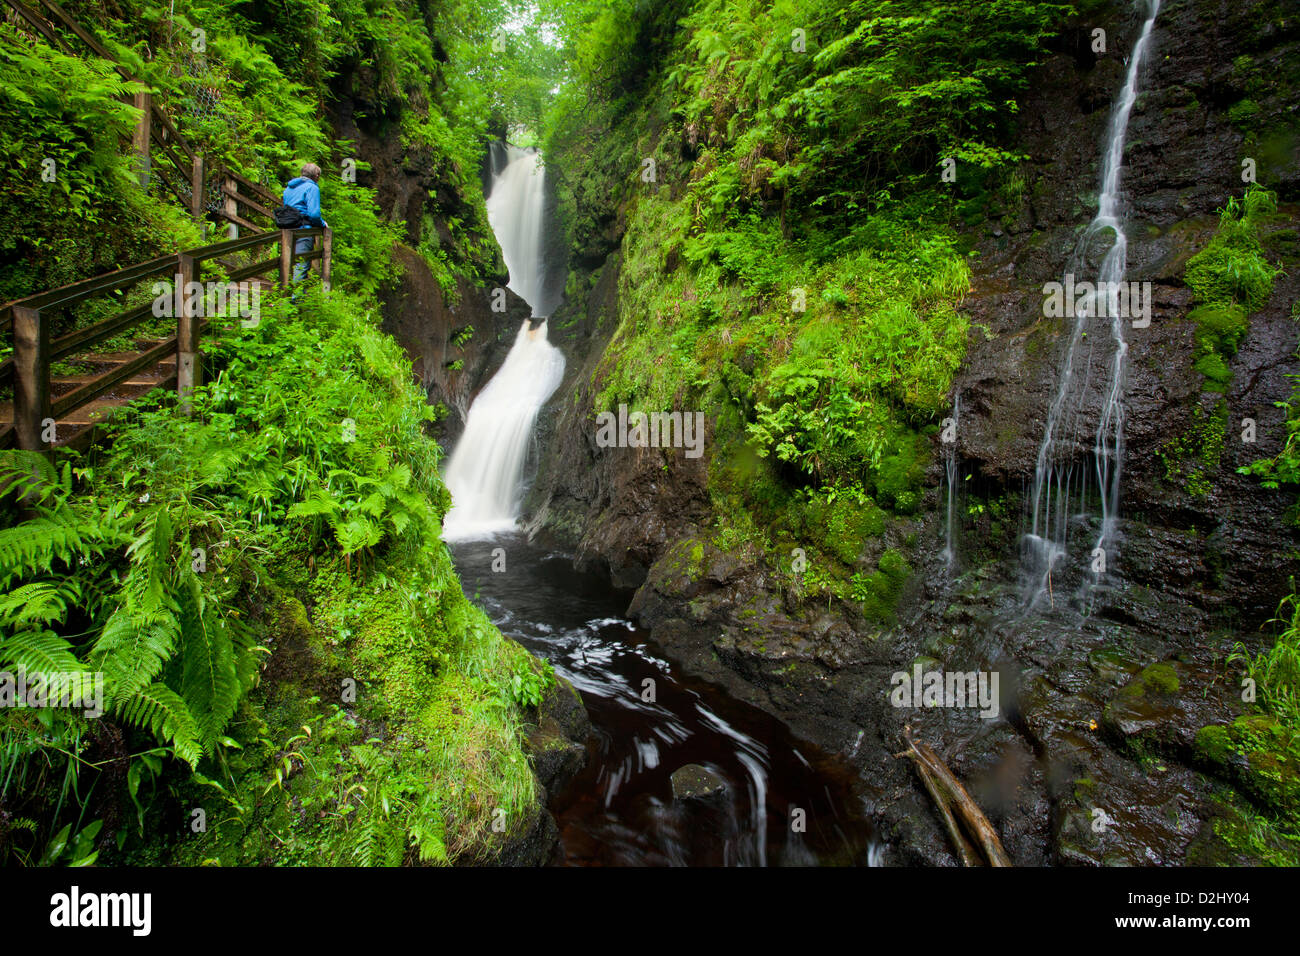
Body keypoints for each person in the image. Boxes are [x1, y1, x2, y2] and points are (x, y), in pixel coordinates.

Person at [282, 162, 327, 283]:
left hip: (287, 229)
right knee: (301, 263)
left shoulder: (288, 188)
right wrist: (323, 224)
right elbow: (314, 214)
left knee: (287, 262)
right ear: (316, 175)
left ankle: (283, 294)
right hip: (303, 229)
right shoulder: (312, 187)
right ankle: (296, 299)